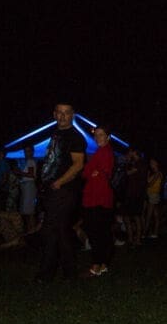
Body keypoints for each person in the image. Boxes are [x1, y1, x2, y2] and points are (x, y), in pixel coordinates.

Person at [35, 103, 86, 282]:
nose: (63, 116)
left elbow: (78, 164)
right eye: (60, 112)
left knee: (50, 230)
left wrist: (59, 182)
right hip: (53, 189)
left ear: (73, 115)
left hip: (64, 190)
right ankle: (69, 272)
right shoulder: (56, 134)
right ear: (54, 114)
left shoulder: (75, 136)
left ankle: (47, 273)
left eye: (67, 113)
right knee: (61, 231)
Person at [81, 125, 116, 277]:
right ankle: (103, 264)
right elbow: (87, 172)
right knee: (102, 232)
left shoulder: (104, 152)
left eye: (101, 134)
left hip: (97, 197)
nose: (97, 137)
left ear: (108, 137)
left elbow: (99, 173)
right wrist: (91, 172)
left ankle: (96, 266)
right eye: (96, 135)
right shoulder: (102, 151)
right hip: (100, 197)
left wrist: (93, 172)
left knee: (95, 232)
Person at [16, 144, 39, 234]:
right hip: (26, 186)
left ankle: (31, 232)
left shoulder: (30, 161)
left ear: (32, 152)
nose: (26, 153)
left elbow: (31, 175)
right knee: (27, 211)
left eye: (28, 151)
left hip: (29, 187)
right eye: (25, 151)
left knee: (29, 212)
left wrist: (20, 172)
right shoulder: (29, 161)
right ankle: (30, 231)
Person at [144, 158, 163, 239]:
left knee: (149, 215)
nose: (151, 163)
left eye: (153, 162)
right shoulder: (153, 173)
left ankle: (144, 233)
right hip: (152, 194)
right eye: (150, 162)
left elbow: (150, 184)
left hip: (153, 195)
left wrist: (143, 184)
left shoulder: (158, 173)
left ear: (157, 163)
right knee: (155, 215)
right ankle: (154, 233)